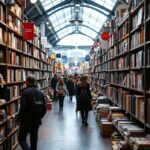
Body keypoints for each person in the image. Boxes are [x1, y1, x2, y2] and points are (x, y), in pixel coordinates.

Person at [18, 74, 47, 150]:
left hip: (26, 120)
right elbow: (45, 108)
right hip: (36, 120)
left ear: (27, 81)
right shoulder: (40, 92)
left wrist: (19, 118)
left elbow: (23, 107)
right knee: (34, 139)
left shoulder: (25, 92)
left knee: (21, 138)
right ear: (35, 81)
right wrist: (40, 117)